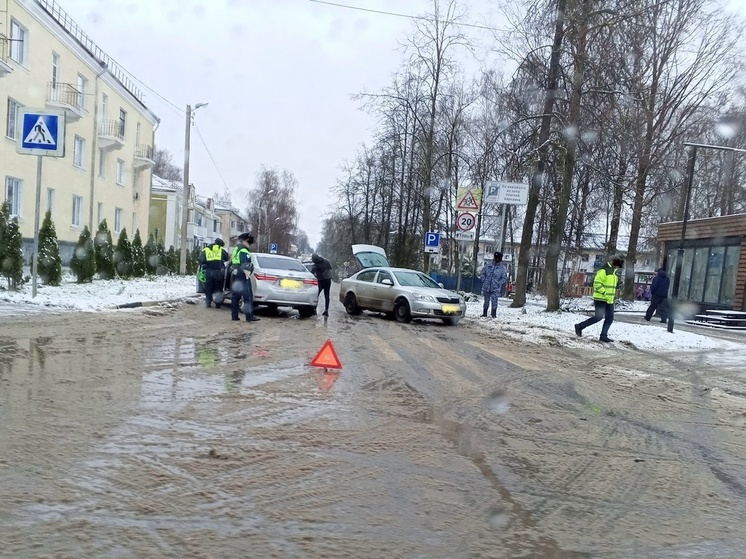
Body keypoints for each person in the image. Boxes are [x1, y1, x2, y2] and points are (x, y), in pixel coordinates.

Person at [574, 255, 624, 342]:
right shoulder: (603, 271)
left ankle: (603, 336)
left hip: (609, 299)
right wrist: (604, 293)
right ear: (612, 262)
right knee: (598, 317)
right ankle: (580, 326)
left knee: (609, 318)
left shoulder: (614, 272)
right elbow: (596, 284)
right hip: (601, 298)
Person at [230, 233, 260, 322]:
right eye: (249, 239)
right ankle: (249, 316)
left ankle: (234, 315)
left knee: (236, 296)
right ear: (245, 240)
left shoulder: (237, 248)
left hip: (236, 273)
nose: (250, 241)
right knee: (248, 296)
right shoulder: (243, 250)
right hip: (243, 274)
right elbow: (245, 264)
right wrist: (248, 273)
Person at [199, 238, 229, 308]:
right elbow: (226, 258)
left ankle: (208, 302)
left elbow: (202, 260)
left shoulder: (206, 249)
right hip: (218, 272)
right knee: (218, 288)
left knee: (208, 287)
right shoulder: (221, 250)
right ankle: (218, 304)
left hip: (208, 271)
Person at [480, 251, 508, 318]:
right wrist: (484, 280)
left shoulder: (502, 268)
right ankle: (484, 313)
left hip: (495, 288)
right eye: (496, 258)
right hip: (486, 287)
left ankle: (493, 314)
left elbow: (504, 278)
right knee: (486, 301)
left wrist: (498, 283)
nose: (497, 259)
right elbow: (482, 273)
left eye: (498, 258)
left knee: (494, 301)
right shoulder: (488, 265)